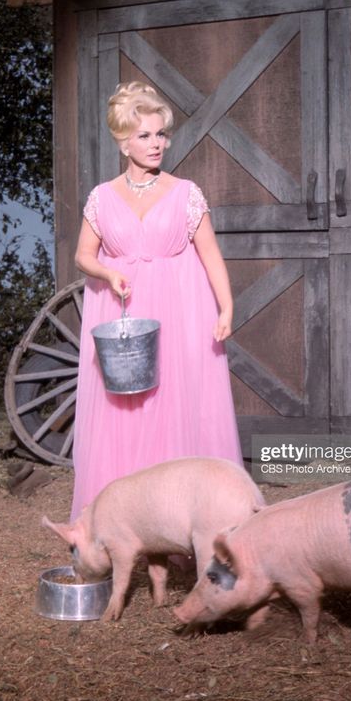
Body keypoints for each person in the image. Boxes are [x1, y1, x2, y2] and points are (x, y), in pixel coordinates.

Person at [70, 81, 242, 520]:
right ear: (123, 141)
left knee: (178, 412)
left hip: (181, 317)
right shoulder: (102, 197)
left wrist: (226, 307)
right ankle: (121, 524)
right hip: (125, 315)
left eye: (161, 134)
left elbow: (211, 257)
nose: (156, 143)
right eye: (145, 135)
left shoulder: (186, 192)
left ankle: (185, 522)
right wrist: (109, 271)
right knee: (124, 418)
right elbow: (82, 256)